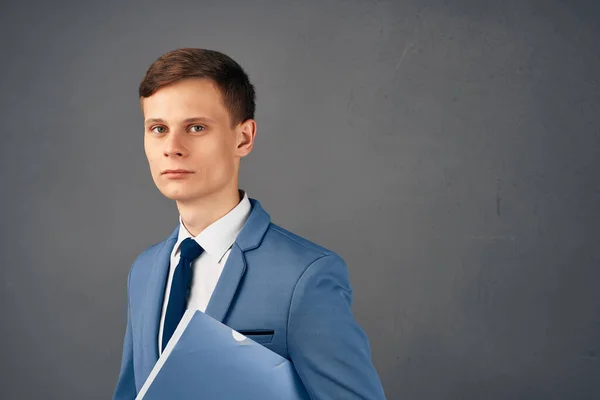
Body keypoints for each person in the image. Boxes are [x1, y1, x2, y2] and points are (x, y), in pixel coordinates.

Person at [112, 48, 386, 400]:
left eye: (196, 127)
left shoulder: (305, 276)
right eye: (158, 128)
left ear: (243, 138)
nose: (172, 147)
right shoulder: (144, 271)